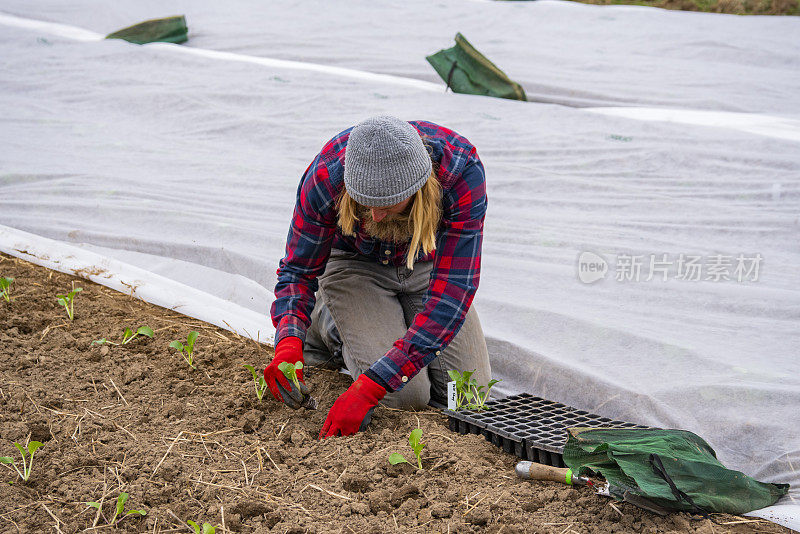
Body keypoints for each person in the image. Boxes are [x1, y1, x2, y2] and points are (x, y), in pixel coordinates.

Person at [264, 115, 491, 439]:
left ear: (417, 188)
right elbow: (298, 270)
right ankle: (323, 321)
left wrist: (370, 387)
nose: (374, 215)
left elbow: (452, 293)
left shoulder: (461, 173)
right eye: (363, 202)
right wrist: (287, 342)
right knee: (404, 397)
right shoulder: (326, 175)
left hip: (423, 260)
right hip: (355, 265)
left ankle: (368, 330)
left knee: (469, 397)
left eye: (386, 204)